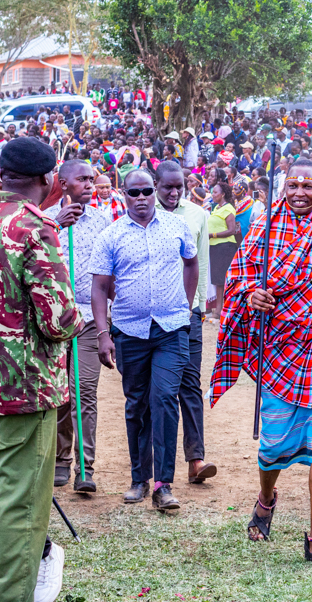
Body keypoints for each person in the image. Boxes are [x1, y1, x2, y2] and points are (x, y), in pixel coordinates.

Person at [209, 159, 312, 568]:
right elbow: (239, 276)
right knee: (273, 445)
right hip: (281, 347)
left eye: (308, 185)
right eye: (292, 184)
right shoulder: (264, 226)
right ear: (283, 187)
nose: (300, 192)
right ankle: (266, 500)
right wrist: (250, 296)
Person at [0, 137, 81, 602]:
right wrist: (79, 319)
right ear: (48, 181)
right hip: (23, 393)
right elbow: (57, 319)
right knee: (18, 516)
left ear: (3, 174)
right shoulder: (35, 227)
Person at [91, 169, 199, 510]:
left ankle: (163, 485)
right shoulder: (111, 236)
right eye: (133, 192)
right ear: (123, 194)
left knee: (165, 398)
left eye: (146, 191)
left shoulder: (176, 226)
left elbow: (191, 263)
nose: (141, 198)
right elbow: (98, 287)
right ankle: (139, 478)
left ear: (155, 192)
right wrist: (103, 333)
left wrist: (186, 305)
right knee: (137, 404)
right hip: (129, 331)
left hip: (171, 330)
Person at [43, 160, 113, 494]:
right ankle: (61, 459)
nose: (89, 184)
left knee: (84, 390)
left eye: (92, 179)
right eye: (82, 179)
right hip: (54, 319)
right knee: (60, 394)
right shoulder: (43, 219)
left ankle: (86, 467)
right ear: (63, 182)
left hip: (88, 318)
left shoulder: (103, 220)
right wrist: (55, 225)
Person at [154, 160, 217, 486]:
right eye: (168, 187)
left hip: (187, 313)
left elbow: (201, 262)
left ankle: (196, 459)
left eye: (179, 186)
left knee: (190, 384)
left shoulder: (197, 215)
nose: (174, 192)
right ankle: (151, 468)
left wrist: (200, 305)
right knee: (157, 392)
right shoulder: (144, 213)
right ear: (156, 184)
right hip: (151, 316)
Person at [206, 181, 240, 317]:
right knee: (216, 279)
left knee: (221, 280)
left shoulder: (228, 209)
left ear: (223, 194)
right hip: (215, 247)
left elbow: (232, 230)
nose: (213, 195)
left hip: (225, 247)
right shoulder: (217, 208)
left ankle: (220, 310)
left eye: (215, 192)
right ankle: (218, 309)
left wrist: (212, 235)